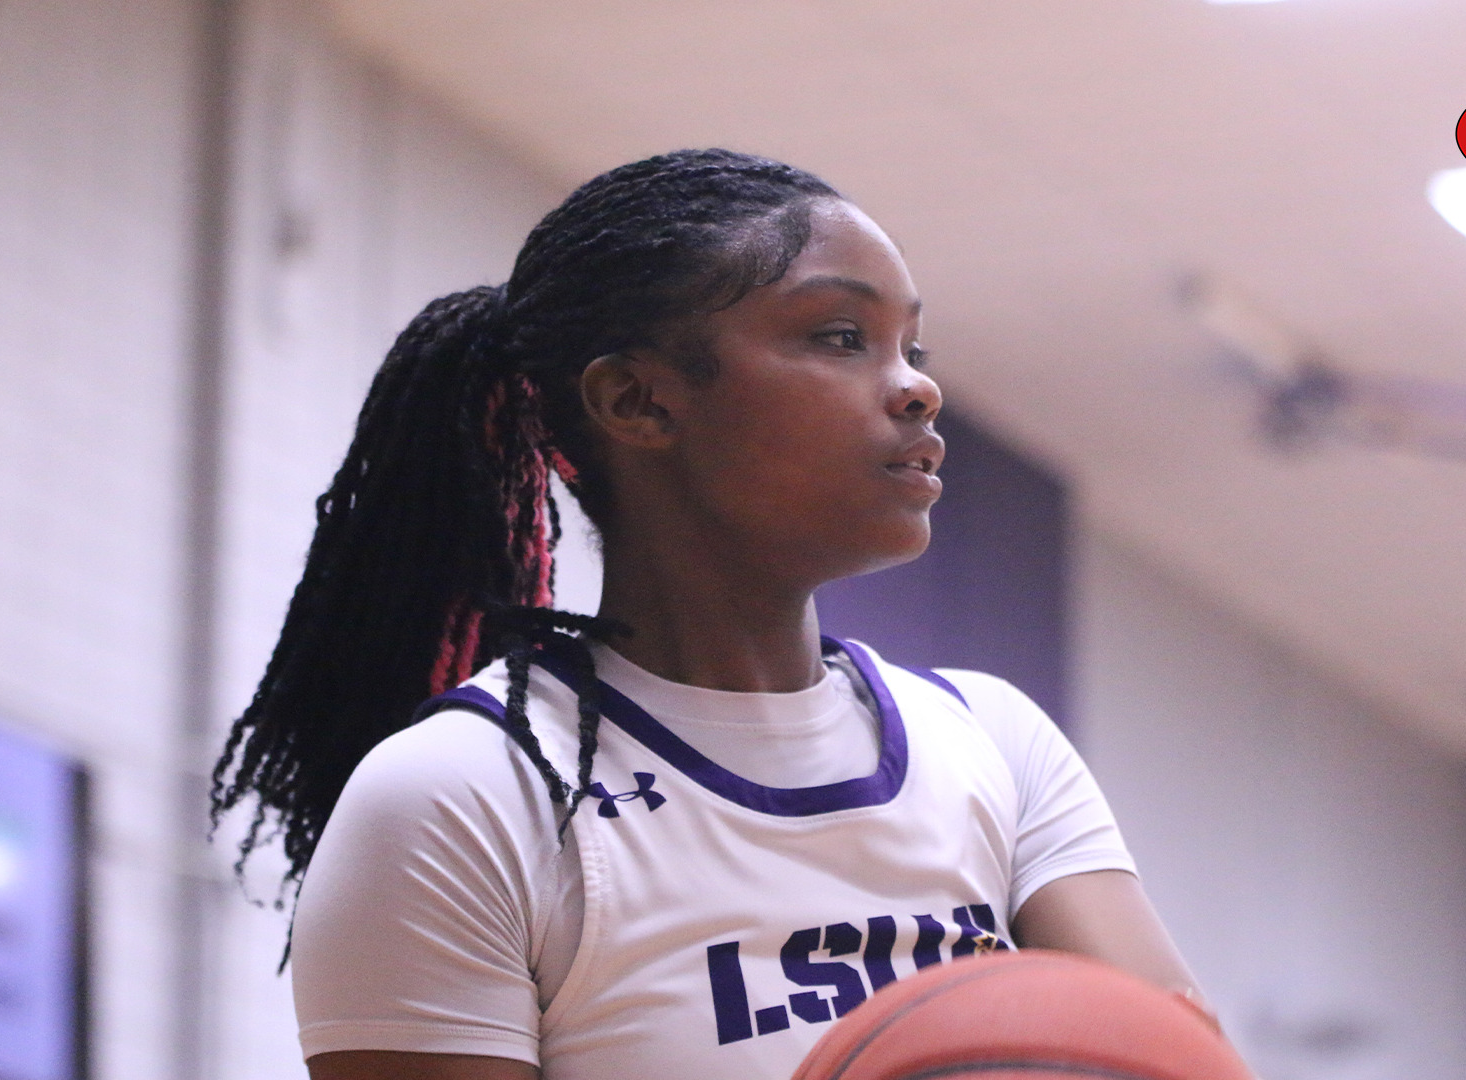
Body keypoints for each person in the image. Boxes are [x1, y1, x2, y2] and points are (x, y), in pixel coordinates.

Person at [211, 149, 1207, 1080]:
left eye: (912, 344)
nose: (917, 387)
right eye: (840, 337)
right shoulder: (463, 797)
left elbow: (1169, 1052)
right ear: (638, 401)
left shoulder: (994, 741)